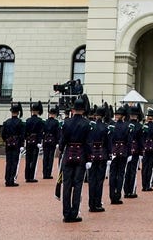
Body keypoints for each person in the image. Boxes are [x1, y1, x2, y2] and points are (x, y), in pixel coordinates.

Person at [58, 95, 91, 223]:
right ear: (83, 110)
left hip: (68, 155)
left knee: (67, 185)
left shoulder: (66, 123)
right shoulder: (87, 124)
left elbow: (62, 141)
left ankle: (66, 214)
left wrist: (62, 149)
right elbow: (88, 143)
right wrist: (89, 159)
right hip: (81, 155)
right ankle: (74, 212)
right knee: (78, 185)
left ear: (73, 110)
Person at [85, 103, 111, 213]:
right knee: (99, 181)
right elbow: (108, 143)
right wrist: (109, 155)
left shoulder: (91, 126)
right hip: (102, 154)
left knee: (91, 180)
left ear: (96, 116)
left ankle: (91, 203)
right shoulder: (106, 127)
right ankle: (97, 203)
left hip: (92, 154)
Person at [107, 105, 130, 205]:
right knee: (121, 174)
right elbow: (129, 141)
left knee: (112, 174)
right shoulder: (127, 126)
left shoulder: (112, 125)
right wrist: (129, 153)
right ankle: (118, 195)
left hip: (113, 150)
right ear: (124, 116)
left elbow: (109, 139)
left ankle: (112, 195)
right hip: (123, 150)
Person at [2, 102, 24, 187]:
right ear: (18, 113)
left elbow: (3, 135)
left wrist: (7, 140)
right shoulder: (20, 122)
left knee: (8, 162)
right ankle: (11, 180)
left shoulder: (6, 122)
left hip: (8, 144)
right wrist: (21, 144)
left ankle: (7, 180)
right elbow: (22, 135)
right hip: (16, 144)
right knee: (14, 162)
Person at [24, 101, 44, 182]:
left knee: (28, 159)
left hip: (29, 141)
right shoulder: (40, 121)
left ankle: (27, 176)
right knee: (34, 159)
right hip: (36, 141)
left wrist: (26, 139)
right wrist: (39, 141)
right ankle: (31, 176)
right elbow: (40, 132)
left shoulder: (28, 120)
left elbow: (25, 132)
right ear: (37, 111)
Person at [41, 104, 61, 179]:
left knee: (45, 157)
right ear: (55, 114)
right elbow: (57, 133)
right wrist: (58, 142)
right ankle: (48, 173)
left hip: (45, 140)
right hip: (52, 141)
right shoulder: (56, 122)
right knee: (50, 157)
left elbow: (42, 132)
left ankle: (44, 173)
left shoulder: (45, 122)